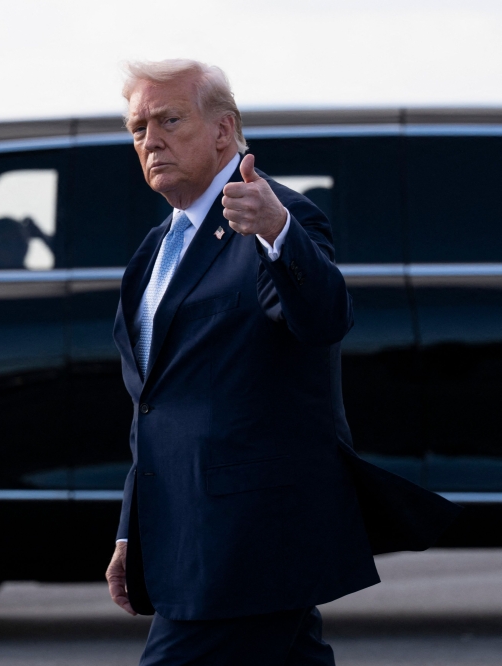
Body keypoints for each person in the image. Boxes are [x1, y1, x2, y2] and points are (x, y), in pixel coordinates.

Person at [104, 60, 460, 665]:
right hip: (191, 535)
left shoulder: (277, 217)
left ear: (224, 130)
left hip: (248, 537)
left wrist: (277, 232)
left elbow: (323, 319)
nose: (151, 140)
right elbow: (155, 406)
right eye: (139, 128)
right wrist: (128, 529)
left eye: (169, 119)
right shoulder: (152, 252)